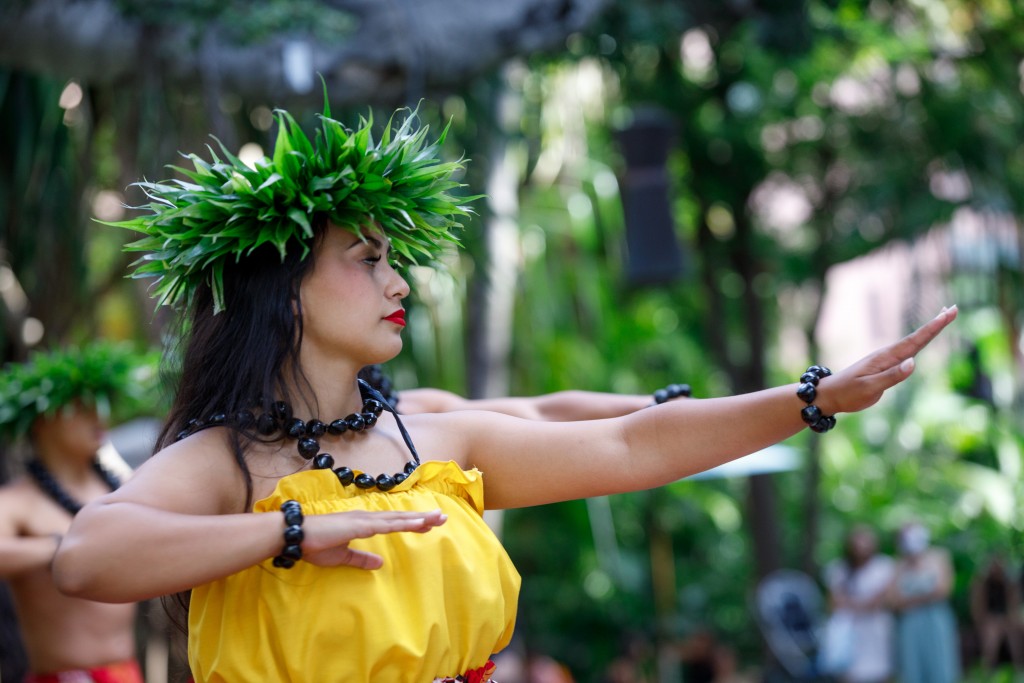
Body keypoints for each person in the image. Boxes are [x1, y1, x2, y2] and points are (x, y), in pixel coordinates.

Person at [52, 102, 957, 682]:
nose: (398, 282)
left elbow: (626, 445)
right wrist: (290, 530)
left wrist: (811, 398)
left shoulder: (428, 442)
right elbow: (88, 555)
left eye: (394, 261)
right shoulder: (231, 463)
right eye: (367, 260)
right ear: (282, 287)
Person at [0, 343, 146, 683]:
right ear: (41, 421)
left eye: (102, 402)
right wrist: (61, 546)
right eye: (81, 405)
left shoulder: (127, 485)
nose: (99, 416)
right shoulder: (16, 501)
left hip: (127, 673)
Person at [359, 363, 692, 420]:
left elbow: (540, 412)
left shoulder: (416, 411)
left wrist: (651, 403)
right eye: (368, 260)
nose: (400, 287)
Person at [819, 525, 895, 683]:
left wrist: (851, 603)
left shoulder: (884, 566)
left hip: (877, 631)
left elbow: (884, 599)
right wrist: (862, 604)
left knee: (879, 671)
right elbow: (833, 603)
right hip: (848, 634)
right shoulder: (839, 569)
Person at [888, 522, 960, 683]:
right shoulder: (899, 564)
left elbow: (944, 590)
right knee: (912, 666)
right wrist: (926, 596)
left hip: (936, 620)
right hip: (910, 624)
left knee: (940, 664)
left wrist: (911, 600)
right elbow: (893, 601)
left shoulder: (939, 556)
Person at [970, 554, 1023, 669]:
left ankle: (1018, 666)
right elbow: (978, 609)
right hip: (990, 619)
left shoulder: (1008, 584)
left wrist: (1009, 620)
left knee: (1015, 633)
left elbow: (1014, 607)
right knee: (992, 635)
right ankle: (988, 667)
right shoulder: (982, 584)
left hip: (1007, 619)